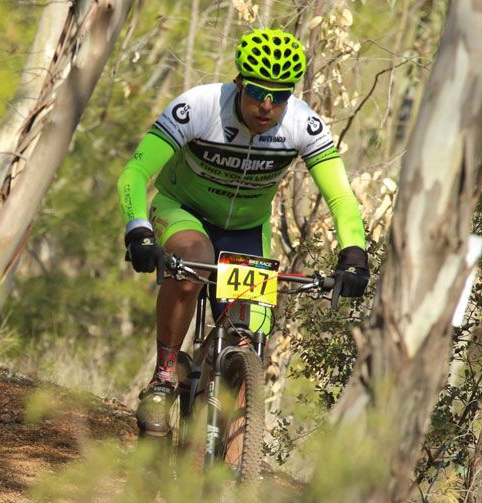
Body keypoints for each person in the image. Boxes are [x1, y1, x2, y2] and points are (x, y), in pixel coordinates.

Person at [117, 28, 370, 437]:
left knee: (246, 341)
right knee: (194, 259)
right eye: (256, 91)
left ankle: (229, 476)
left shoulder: (303, 124)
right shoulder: (199, 107)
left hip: (246, 230)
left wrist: (354, 253)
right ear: (238, 83)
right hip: (183, 211)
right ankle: (165, 375)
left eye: (280, 95)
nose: (267, 106)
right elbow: (135, 172)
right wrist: (139, 231)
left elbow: (340, 196)